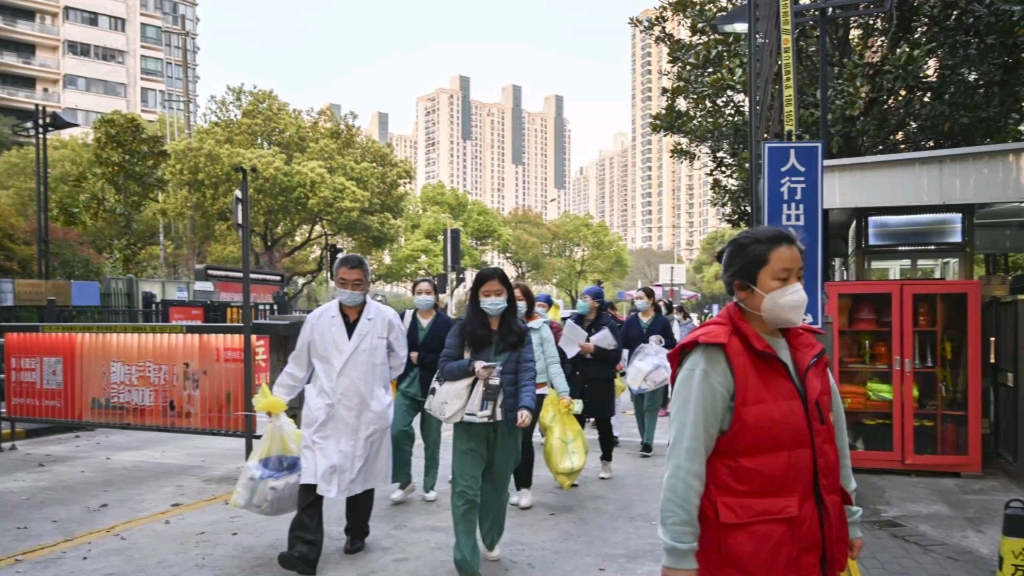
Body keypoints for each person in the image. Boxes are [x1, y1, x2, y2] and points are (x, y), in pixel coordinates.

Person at [659, 227, 863, 576]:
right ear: (742, 288)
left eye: (799, 277)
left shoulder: (808, 352)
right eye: (782, 279)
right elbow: (685, 463)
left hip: (815, 543)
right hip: (746, 551)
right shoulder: (713, 358)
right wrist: (678, 554)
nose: (796, 290)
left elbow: (834, 445)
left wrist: (850, 518)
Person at [272, 254, 407, 575]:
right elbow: (298, 365)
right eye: (343, 283)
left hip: (366, 411)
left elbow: (398, 361)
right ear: (335, 283)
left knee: (361, 476)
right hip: (324, 411)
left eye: (357, 284)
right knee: (311, 479)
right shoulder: (318, 318)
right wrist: (276, 399)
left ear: (368, 284)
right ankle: (303, 549)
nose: (350, 289)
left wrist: (371, 385)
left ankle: (356, 532)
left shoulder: (386, 318)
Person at [437, 267, 537, 576]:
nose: (493, 300)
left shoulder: (519, 332)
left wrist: (526, 406)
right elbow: (445, 367)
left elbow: (527, 374)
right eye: (486, 295)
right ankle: (466, 561)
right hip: (470, 423)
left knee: (496, 489)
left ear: (507, 295)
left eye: (498, 294)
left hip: (506, 425)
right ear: (476, 297)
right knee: (466, 491)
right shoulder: (463, 329)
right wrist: (472, 365)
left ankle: (491, 537)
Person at [390, 278, 454, 504]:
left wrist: (423, 358)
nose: (423, 296)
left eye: (428, 292)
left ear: (435, 296)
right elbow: (394, 348)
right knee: (397, 431)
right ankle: (404, 482)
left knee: (432, 439)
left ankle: (429, 484)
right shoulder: (404, 319)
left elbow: (451, 357)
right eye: (419, 291)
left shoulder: (447, 324)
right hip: (406, 386)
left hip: (434, 389)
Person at [509, 281, 571, 510]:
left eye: (521, 298)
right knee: (509, 439)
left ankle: (524, 488)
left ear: (529, 301)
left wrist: (564, 392)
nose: (517, 303)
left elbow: (553, 362)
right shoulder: (501, 326)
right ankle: (512, 486)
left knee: (523, 438)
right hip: (506, 389)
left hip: (536, 389)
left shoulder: (541, 326)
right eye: (512, 298)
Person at [566, 285, 623, 480]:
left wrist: (594, 350)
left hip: (600, 383)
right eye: (581, 297)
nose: (581, 301)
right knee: (575, 425)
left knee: (603, 423)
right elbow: (563, 351)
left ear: (596, 303)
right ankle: (573, 466)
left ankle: (606, 462)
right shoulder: (573, 322)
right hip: (578, 382)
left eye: (586, 298)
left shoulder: (609, 324)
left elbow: (615, 355)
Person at [620, 286, 677, 457]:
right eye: (636, 298)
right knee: (638, 405)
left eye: (641, 297)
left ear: (651, 300)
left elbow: (672, 342)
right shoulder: (630, 321)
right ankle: (644, 437)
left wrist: (661, 340)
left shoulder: (661, 321)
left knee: (651, 405)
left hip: (655, 370)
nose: (638, 301)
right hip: (635, 370)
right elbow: (622, 342)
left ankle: (647, 442)